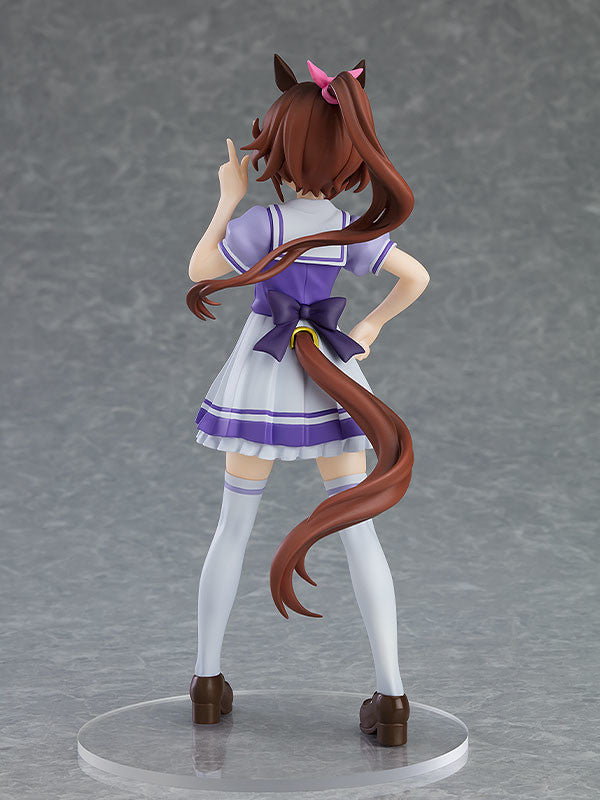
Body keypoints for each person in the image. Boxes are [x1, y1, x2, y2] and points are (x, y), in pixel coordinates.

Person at [186, 55, 430, 746]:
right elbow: (416, 276)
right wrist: (369, 329)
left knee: (233, 527)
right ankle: (393, 698)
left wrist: (227, 198)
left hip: (264, 372)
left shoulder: (265, 223)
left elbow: (201, 270)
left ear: (282, 151)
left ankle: (207, 682)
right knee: (358, 529)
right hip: (331, 379)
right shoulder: (349, 230)